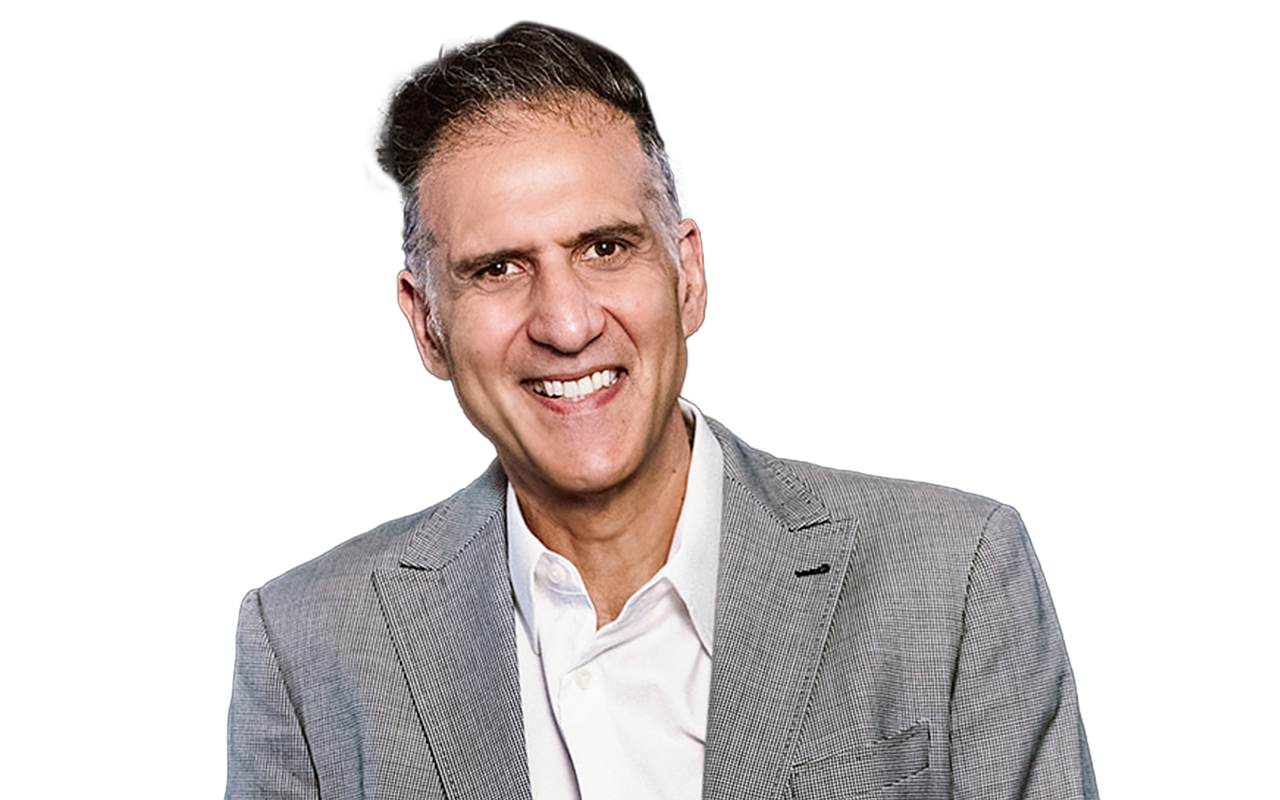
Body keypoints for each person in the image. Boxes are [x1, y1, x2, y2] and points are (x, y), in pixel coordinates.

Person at [227, 27, 1096, 800]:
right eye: (498, 269)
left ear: (687, 277)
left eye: (605, 248)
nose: (567, 324)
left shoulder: (955, 579)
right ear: (428, 327)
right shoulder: (307, 648)